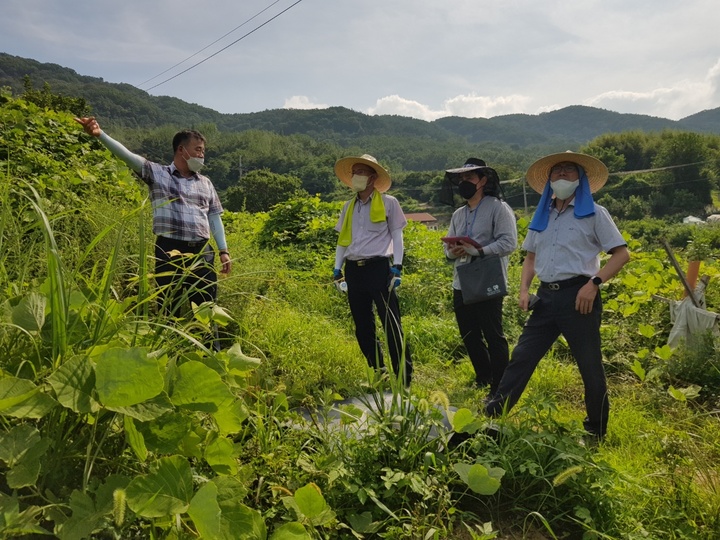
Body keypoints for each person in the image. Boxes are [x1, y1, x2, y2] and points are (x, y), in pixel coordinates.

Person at [484, 151, 629, 441]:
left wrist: (594, 283)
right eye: (557, 171)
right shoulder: (543, 215)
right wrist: (524, 289)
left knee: (589, 365)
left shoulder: (593, 214)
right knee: (522, 357)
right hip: (545, 299)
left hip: (579, 297)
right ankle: (493, 415)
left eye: (569, 171)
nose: (562, 175)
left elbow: (622, 254)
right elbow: (530, 258)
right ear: (549, 180)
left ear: (581, 179)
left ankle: (595, 430)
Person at [74, 117, 231, 329]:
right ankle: (167, 352)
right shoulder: (158, 174)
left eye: (203, 151)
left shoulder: (205, 183)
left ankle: (209, 351)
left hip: (202, 252)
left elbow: (214, 216)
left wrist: (223, 250)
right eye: (198, 149)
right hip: (169, 249)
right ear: (181, 150)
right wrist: (100, 135)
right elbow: (128, 157)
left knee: (206, 307)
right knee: (168, 306)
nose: (202, 155)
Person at [333, 154, 413, 385]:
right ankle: (379, 371)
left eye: (361, 172)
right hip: (354, 270)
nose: (356, 176)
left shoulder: (389, 203)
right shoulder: (348, 207)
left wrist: (397, 267)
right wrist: (337, 270)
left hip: (379, 267)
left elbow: (397, 236)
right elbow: (342, 241)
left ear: (373, 177)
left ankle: (404, 376)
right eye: (354, 172)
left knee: (391, 322)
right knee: (362, 325)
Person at [443, 158, 517, 393]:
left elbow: (509, 242)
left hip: (488, 279)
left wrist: (481, 250)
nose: (464, 182)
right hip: (461, 281)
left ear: (483, 180)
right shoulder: (458, 214)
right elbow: (447, 250)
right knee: (469, 334)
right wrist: (453, 251)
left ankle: (501, 385)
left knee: (493, 334)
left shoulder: (498, 207)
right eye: (462, 179)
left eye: (470, 178)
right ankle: (483, 377)